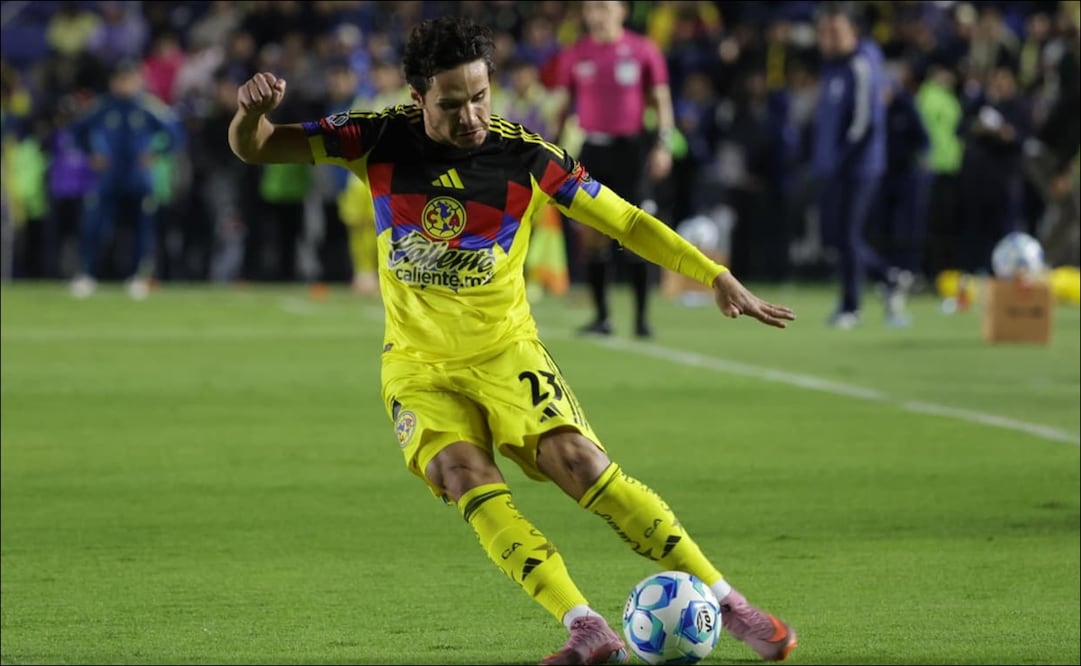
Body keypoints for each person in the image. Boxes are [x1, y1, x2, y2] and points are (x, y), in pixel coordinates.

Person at [228, 16, 798, 665]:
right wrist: (250, 116)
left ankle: (730, 603)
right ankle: (585, 625)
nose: (470, 114)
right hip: (417, 367)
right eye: (451, 103)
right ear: (418, 99)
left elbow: (625, 220)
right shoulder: (373, 139)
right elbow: (257, 146)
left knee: (580, 467)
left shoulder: (525, 157)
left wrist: (713, 274)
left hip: (506, 353)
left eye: (480, 96)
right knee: (463, 478)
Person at [551, 0, 677, 339]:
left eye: (604, 7)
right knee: (591, 233)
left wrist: (664, 144)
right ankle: (602, 317)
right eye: (591, 8)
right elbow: (562, 107)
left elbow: (662, 100)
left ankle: (641, 318)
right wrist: (551, 147)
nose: (597, 15)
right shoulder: (576, 54)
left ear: (622, 11)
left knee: (636, 230)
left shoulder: (642, 50)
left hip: (631, 149)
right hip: (592, 148)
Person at [812, 2, 908, 329]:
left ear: (853, 31)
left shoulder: (861, 63)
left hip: (859, 167)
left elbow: (864, 122)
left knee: (848, 234)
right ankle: (889, 276)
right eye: (823, 32)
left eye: (835, 31)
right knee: (836, 237)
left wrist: (840, 160)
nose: (828, 38)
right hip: (833, 166)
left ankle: (851, 307)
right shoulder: (832, 67)